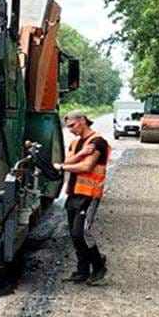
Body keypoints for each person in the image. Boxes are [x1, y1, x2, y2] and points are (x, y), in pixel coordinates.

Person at [54, 110, 110, 286]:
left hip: (89, 194)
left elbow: (87, 166)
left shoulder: (98, 142)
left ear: (83, 121)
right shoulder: (76, 143)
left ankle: (99, 265)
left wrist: (62, 168)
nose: (70, 129)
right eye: (68, 127)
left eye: (73, 125)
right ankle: (82, 270)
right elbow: (69, 160)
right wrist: (78, 154)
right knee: (74, 234)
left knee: (82, 232)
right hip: (74, 193)